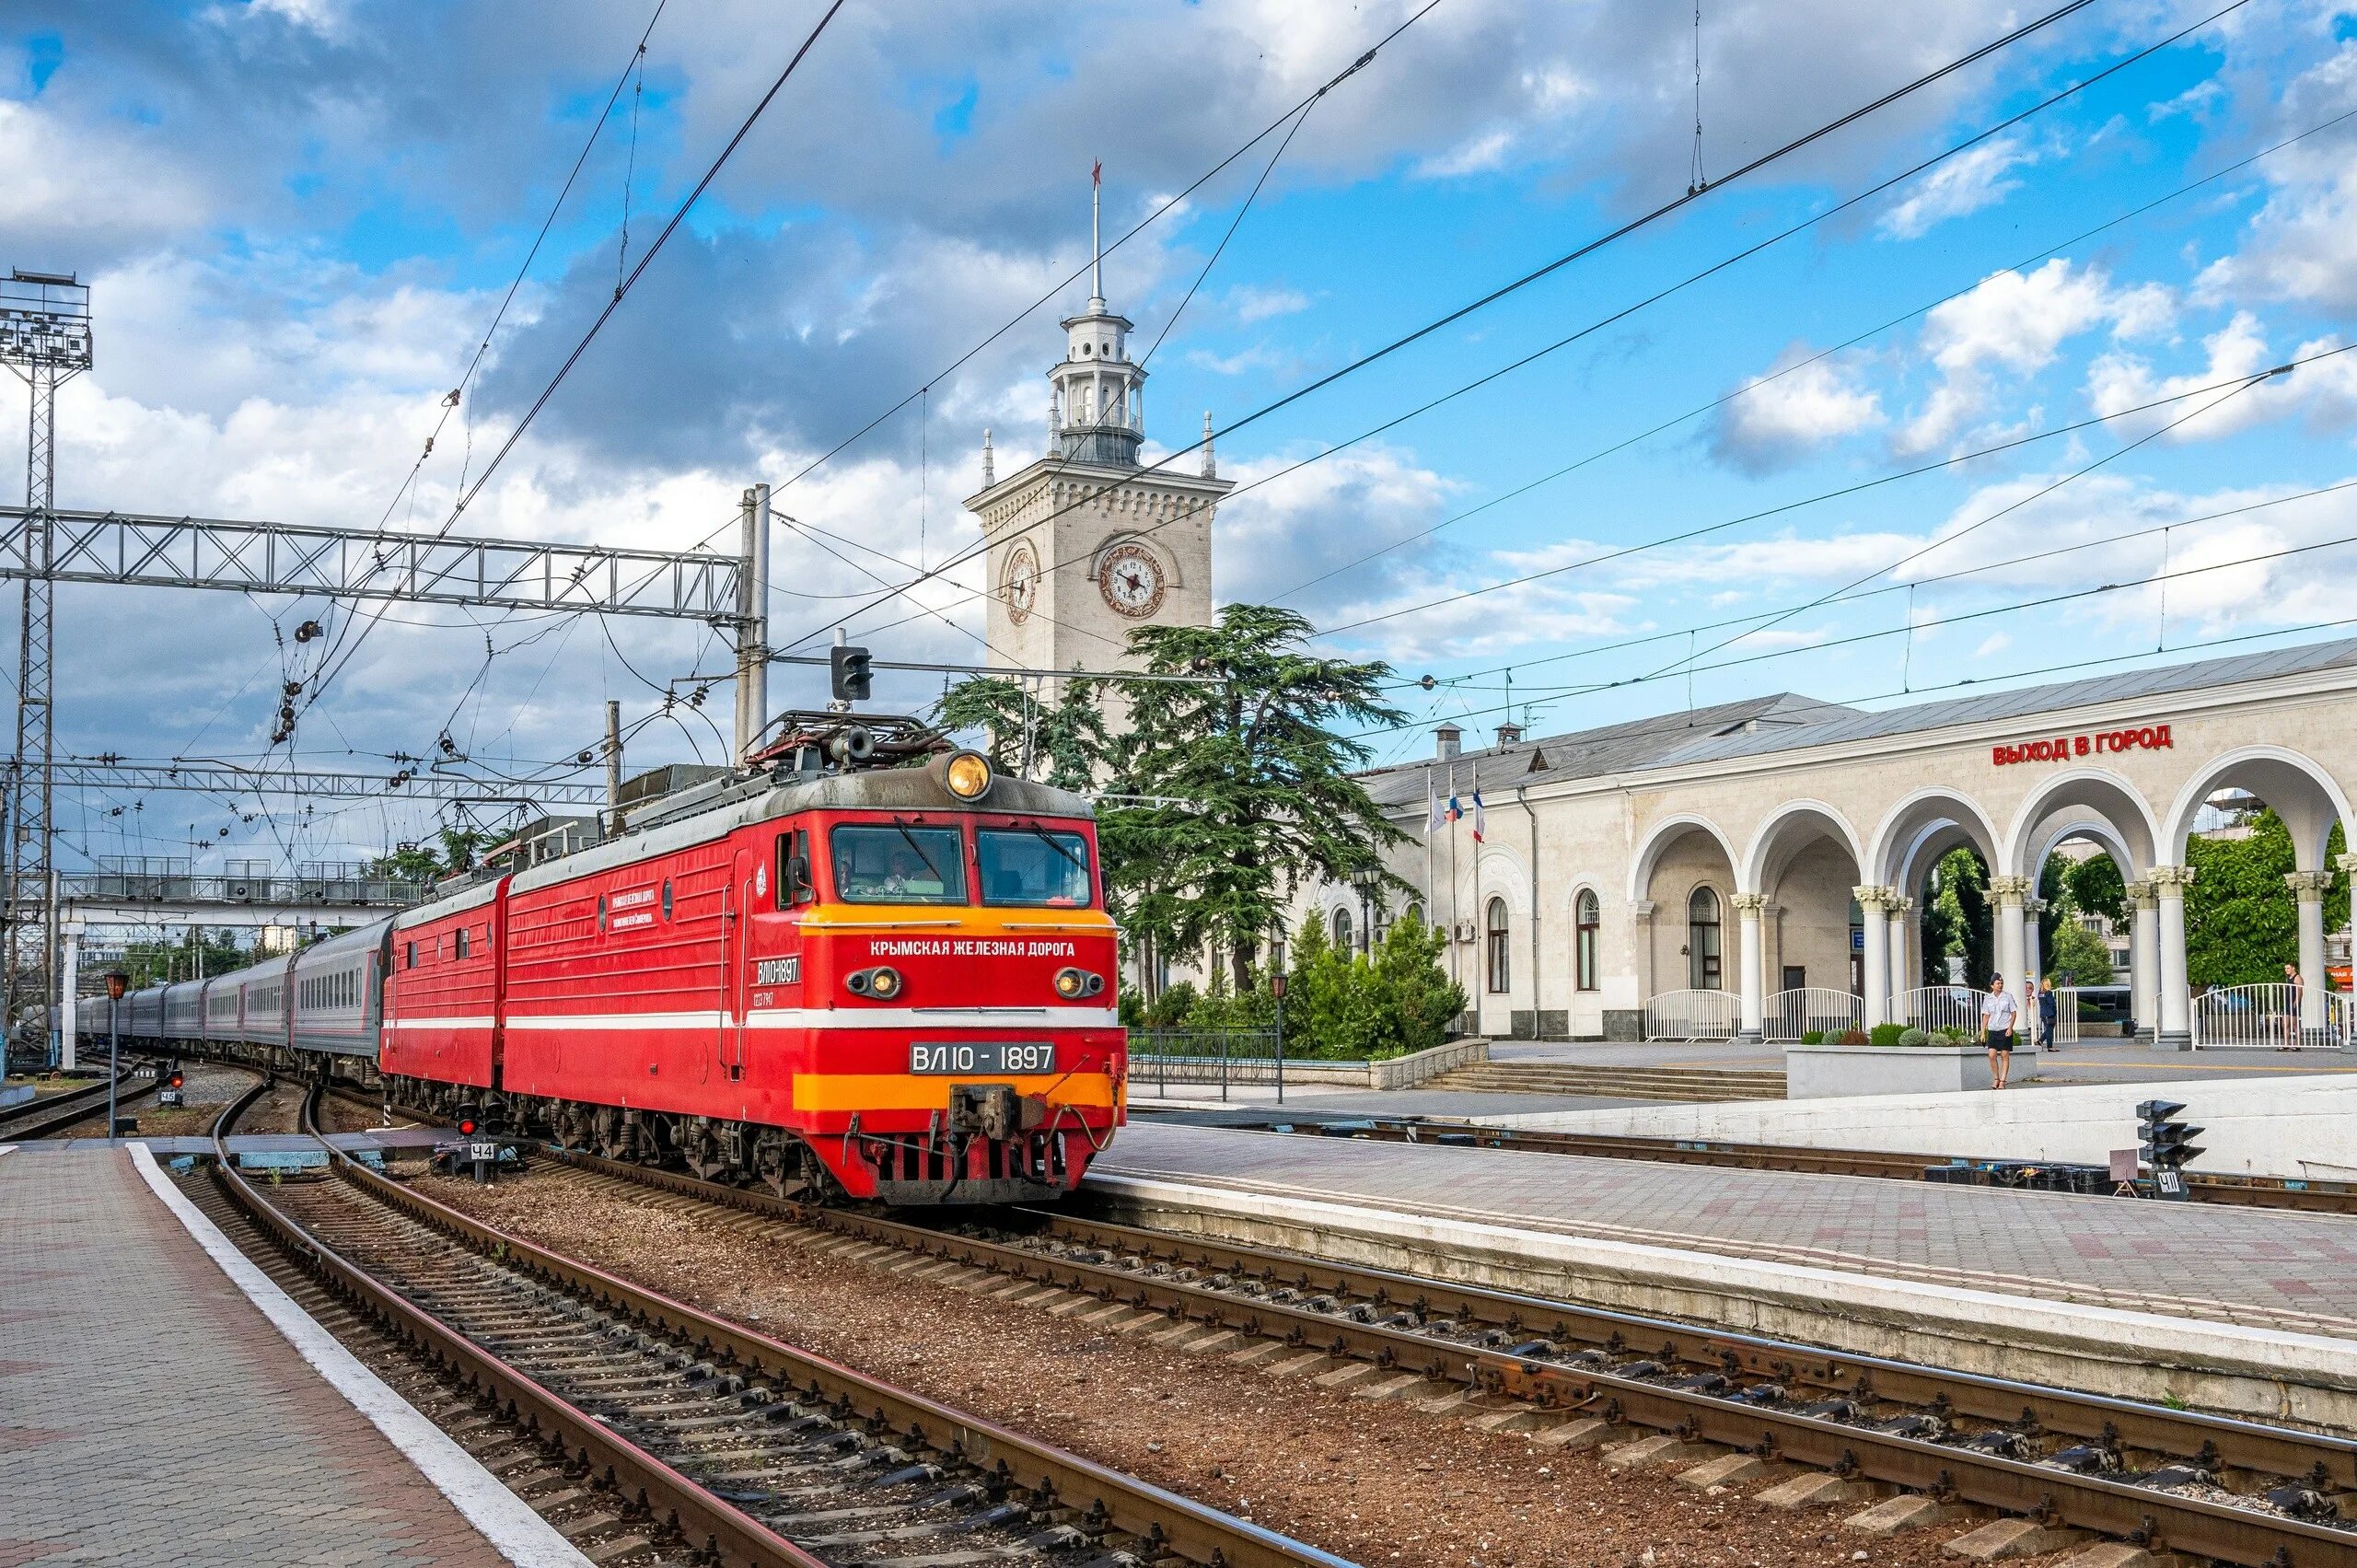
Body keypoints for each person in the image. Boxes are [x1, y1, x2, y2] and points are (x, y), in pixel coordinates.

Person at [1980, 973, 2019, 1089]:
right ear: (1992, 985)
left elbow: (2013, 1013)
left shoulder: (2008, 997)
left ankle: (2003, 1081)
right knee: (1992, 1055)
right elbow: (1986, 1016)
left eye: (2001, 983)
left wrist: (2010, 1028)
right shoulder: (1988, 999)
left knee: (2004, 1055)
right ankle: (1996, 1078)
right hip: (1993, 1029)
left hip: (2004, 1028)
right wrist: (1983, 1032)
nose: (2000, 985)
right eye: (1998, 983)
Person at [2038, 977, 2059, 1053]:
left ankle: (2040, 1041)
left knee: (2048, 1029)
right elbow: (2052, 1004)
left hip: (2043, 1014)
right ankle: (2050, 1047)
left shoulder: (2040, 993)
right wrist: (2054, 1012)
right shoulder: (2048, 993)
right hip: (2049, 1013)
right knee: (2049, 1030)